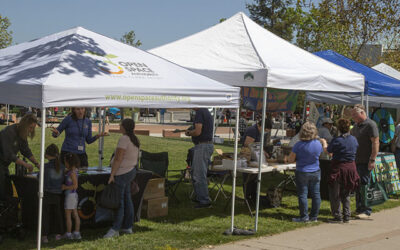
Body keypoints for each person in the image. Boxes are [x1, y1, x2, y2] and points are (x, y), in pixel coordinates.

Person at [104, 118, 139, 238]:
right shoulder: (134, 138)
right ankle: (128, 226)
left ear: (124, 127)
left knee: (120, 202)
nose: (119, 125)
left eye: (121, 124)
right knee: (127, 199)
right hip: (130, 171)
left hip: (122, 172)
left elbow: (118, 158)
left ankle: (115, 228)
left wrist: (112, 174)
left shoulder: (124, 139)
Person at [287, 122, 326, 222]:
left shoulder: (298, 145)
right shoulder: (318, 144)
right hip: (316, 171)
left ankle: (304, 217)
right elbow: (320, 155)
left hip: (302, 171)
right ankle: (314, 216)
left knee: (303, 194)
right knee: (316, 194)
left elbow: (291, 160)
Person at [327, 119, 360, 223]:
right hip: (350, 168)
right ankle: (347, 215)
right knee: (346, 193)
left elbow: (329, 150)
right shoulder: (354, 140)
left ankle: (337, 216)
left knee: (335, 193)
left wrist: (324, 143)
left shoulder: (337, 140)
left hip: (338, 168)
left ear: (339, 128)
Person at [0, 113, 39, 201]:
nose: (31, 130)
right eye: (31, 127)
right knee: (3, 190)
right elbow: (9, 155)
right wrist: (26, 165)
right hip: (1, 162)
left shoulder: (22, 133)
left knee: (8, 190)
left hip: (4, 165)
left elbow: (26, 150)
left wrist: (37, 163)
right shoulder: (8, 132)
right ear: (25, 125)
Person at [351, 104, 379, 219]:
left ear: (362, 113)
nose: (353, 117)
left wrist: (372, 159)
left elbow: (375, 142)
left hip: (365, 161)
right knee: (358, 186)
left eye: (354, 115)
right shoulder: (356, 126)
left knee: (365, 185)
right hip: (356, 161)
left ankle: (366, 210)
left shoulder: (370, 125)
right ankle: (359, 208)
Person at [185, 108, 214, 208]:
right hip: (204, 146)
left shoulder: (200, 112)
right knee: (198, 173)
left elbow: (197, 132)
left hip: (202, 146)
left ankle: (204, 201)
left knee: (199, 175)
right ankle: (200, 197)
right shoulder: (204, 111)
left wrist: (188, 133)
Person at [241, 117, 273, 203]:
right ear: (260, 126)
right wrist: (259, 152)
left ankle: (253, 197)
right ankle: (248, 198)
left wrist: (263, 152)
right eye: (266, 130)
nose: (266, 132)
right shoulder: (252, 130)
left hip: (254, 157)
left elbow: (257, 145)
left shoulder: (258, 131)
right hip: (248, 157)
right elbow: (248, 144)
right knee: (248, 179)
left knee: (254, 179)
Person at [41, 144, 65, 243]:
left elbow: (40, 177)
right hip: (57, 194)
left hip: (46, 193)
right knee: (57, 214)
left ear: (47, 154)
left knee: (45, 215)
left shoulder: (45, 166)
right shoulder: (62, 167)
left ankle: (44, 235)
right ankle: (58, 234)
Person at [62, 153, 81, 240]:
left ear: (69, 162)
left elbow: (75, 185)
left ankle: (69, 234)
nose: (64, 163)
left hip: (70, 196)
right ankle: (76, 232)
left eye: (65, 162)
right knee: (75, 214)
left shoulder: (72, 173)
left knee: (68, 215)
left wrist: (65, 187)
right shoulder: (74, 170)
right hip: (73, 196)